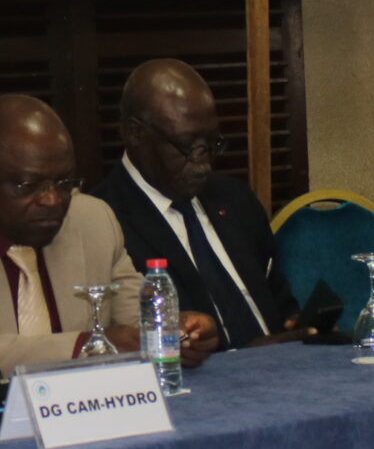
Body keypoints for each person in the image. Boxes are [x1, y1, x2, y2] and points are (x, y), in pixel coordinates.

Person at [0, 94, 211, 391]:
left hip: (84, 411)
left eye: (64, 182)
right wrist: (80, 348)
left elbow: (133, 326)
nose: (52, 199)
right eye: (27, 186)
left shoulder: (93, 220)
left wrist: (178, 334)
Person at [91, 59, 299, 349]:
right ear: (135, 133)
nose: (203, 164)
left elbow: (279, 301)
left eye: (211, 145)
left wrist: (300, 326)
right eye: (187, 146)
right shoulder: (101, 222)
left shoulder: (235, 198)